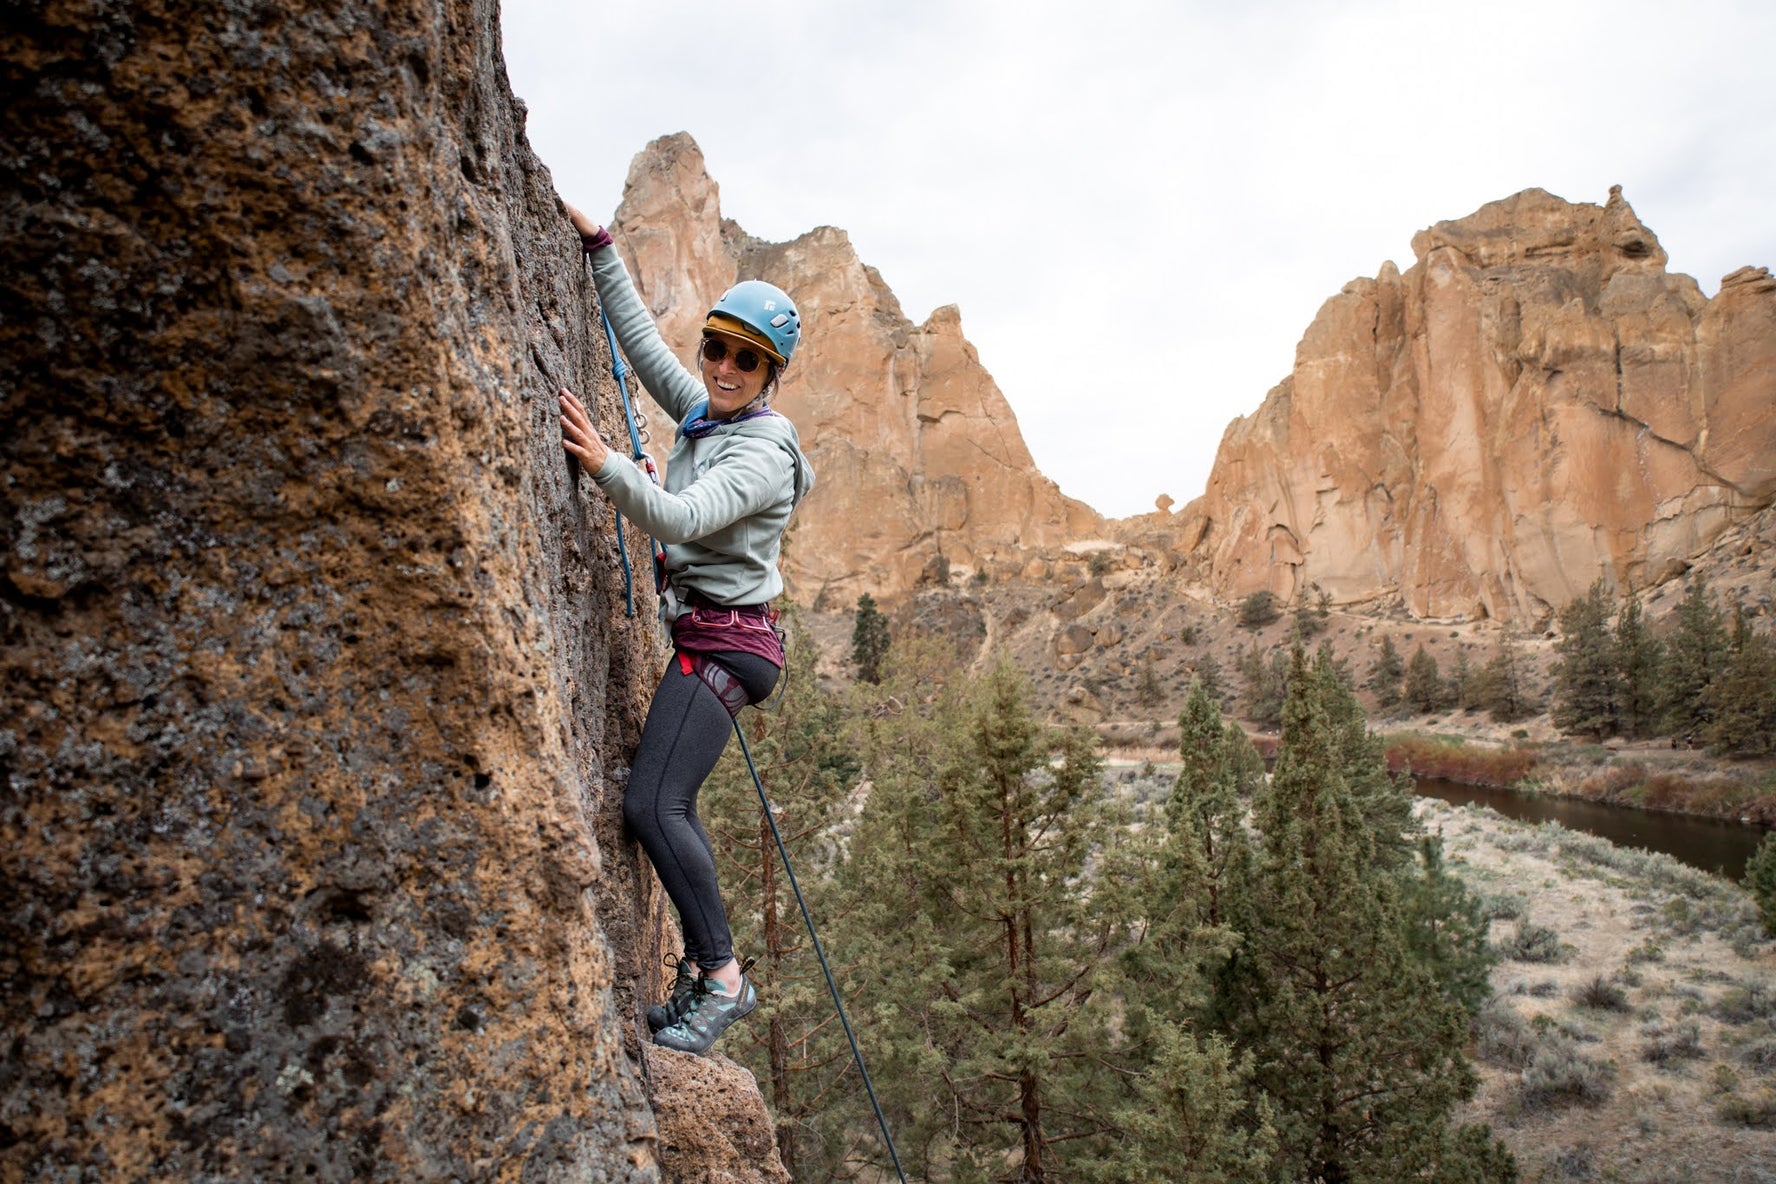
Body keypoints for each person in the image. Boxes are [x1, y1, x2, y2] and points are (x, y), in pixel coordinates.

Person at [557, 201, 815, 1055]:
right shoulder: (712, 415)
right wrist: (600, 248)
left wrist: (601, 466)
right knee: (668, 804)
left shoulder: (757, 453)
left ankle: (723, 979)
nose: (725, 367)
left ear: (770, 372)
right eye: (718, 348)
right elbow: (642, 349)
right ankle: (711, 972)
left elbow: (676, 516)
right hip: (717, 638)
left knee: (651, 803)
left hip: (729, 647)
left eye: (748, 359)